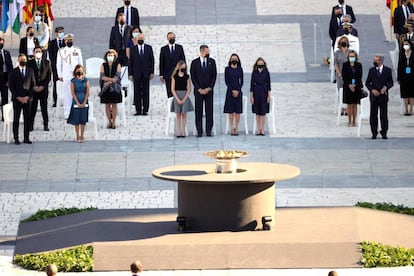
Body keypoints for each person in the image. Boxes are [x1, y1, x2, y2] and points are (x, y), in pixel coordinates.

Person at [8, 54, 35, 145]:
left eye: (24, 59)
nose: (23, 61)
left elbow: (33, 85)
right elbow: (11, 86)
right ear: (18, 61)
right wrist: (18, 97)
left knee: (27, 119)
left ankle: (26, 138)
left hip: (27, 99)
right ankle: (16, 138)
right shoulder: (13, 71)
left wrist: (28, 96)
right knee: (16, 119)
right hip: (17, 99)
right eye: (21, 59)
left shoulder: (30, 71)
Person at [190, 45, 217, 137]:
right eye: (207, 52)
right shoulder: (194, 63)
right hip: (198, 92)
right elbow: (193, 77)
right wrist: (199, 89)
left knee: (209, 110)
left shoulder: (212, 62)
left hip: (209, 91)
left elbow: (214, 76)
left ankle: (209, 130)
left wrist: (209, 88)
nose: (208, 53)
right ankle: (199, 131)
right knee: (199, 111)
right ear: (202, 52)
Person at [365, 55, 394, 139]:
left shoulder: (387, 70)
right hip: (374, 96)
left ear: (381, 61)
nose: (375, 62)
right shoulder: (371, 70)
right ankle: (374, 132)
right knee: (373, 115)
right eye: (374, 60)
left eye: (377, 60)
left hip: (383, 96)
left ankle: (384, 132)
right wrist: (372, 90)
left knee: (383, 115)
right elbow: (367, 83)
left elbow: (391, 82)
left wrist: (385, 87)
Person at [57, 34, 83, 119]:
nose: (69, 42)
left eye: (71, 40)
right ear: (65, 41)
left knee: (76, 93)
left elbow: (80, 63)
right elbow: (58, 64)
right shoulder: (61, 51)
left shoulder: (77, 50)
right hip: (66, 75)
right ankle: (67, 112)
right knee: (67, 94)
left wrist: (81, 73)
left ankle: (76, 111)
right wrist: (60, 75)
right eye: (68, 40)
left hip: (76, 75)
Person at [128, 32, 154, 116]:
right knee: (137, 91)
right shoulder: (133, 49)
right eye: (139, 39)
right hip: (136, 73)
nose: (140, 40)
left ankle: (145, 109)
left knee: (146, 91)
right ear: (136, 40)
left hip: (146, 73)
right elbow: (130, 62)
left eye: (142, 39)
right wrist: (130, 74)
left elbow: (152, 61)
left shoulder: (148, 48)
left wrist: (152, 72)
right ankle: (138, 110)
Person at [27, 46, 52, 131]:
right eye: (36, 51)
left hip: (43, 89)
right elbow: (28, 76)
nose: (38, 53)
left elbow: (48, 76)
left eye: (39, 51)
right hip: (33, 89)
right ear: (33, 53)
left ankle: (46, 124)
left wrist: (42, 86)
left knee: (44, 107)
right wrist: (33, 86)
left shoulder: (47, 62)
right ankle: (30, 124)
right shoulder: (29, 63)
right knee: (32, 107)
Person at [100, 49, 122, 129]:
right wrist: (110, 80)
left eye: (112, 55)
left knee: (114, 104)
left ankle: (114, 122)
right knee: (107, 105)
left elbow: (117, 77)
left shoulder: (118, 65)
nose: (110, 57)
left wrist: (109, 81)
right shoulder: (103, 65)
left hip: (115, 88)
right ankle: (109, 121)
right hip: (105, 88)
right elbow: (102, 77)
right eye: (109, 55)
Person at [67, 64, 90, 143]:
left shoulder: (86, 80)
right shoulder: (73, 81)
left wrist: (84, 102)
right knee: (77, 118)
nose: (79, 71)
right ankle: (77, 135)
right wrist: (77, 102)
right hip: (76, 99)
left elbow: (87, 92)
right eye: (78, 70)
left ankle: (82, 135)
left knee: (83, 118)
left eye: (81, 70)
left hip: (84, 99)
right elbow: (72, 92)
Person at [159, 32, 186, 98]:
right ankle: (171, 107)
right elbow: (161, 62)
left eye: (173, 37)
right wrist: (161, 75)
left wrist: (184, 72)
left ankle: (178, 107)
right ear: (167, 38)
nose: (172, 39)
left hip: (178, 74)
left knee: (178, 92)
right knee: (170, 93)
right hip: (168, 74)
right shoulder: (163, 49)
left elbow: (183, 61)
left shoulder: (179, 48)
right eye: (170, 38)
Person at [171, 60, 193, 138]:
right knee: (178, 114)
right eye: (182, 66)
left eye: (184, 67)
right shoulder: (174, 76)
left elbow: (189, 88)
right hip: (177, 95)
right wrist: (177, 98)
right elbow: (172, 89)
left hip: (184, 95)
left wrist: (184, 98)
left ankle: (183, 130)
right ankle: (179, 131)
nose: (183, 68)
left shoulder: (187, 76)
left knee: (184, 114)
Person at [250, 57, 271, 136]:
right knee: (257, 113)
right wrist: (251, 96)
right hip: (256, 93)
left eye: (261, 64)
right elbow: (251, 85)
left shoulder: (266, 72)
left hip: (264, 93)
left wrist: (269, 95)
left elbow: (269, 85)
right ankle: (258, 129)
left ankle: (262, 129)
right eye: (259, 64)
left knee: (263, 112)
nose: (260, 66)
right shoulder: (254, 72)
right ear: (256, 65)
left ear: (264, 64)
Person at [223, 53, 243, 136]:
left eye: (235, 58)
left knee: (237, 111)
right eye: (232, 58)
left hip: (238, 91)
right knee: (230, 111)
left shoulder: (240, 69)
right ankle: (231, 128)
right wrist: (232, 90)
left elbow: (241, 81)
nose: (234, 59)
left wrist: (238, 90)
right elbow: (226, 81)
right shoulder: (227, 69)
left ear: (238, 60)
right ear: (230, 60)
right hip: (230, 91)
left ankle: (237, 128)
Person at [342, 50, 362, 127]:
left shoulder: (359, 65)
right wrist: (349, 85)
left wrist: (354, 85)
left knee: (355, 104)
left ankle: (354, 121)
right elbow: (344, 76)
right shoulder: (345, 65)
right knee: (349, 104)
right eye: (350, 56)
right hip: (347, 87)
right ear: (348, 57)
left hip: (356, 87)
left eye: (353, 56)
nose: (352, 58)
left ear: (355, 57)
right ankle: (349, 121)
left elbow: (359, 76)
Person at [48, 26, 66, 107]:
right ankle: (56, 100)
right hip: (56, 67)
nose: (61, 33)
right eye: (60, 32)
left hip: (65, 67)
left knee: (65, 84)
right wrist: (54, 65)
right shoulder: (52, 43)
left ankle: (65, 100)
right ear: (56, 33)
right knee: (56, 84)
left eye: (62, 32)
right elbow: (51, 56)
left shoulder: (65, 42)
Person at [334, 36, 350, 115]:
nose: (343, 44)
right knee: (341, 90)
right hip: (340, 74)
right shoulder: (337, 53)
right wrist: (339, 73)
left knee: (347, 91)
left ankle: (347, 108)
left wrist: (345, 52)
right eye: (342, 42)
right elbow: (335, 64)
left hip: (349, 74)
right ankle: (342, 107)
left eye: (345, 42)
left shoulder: (350, 52)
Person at [397, 39, 414, 115]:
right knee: (405, 93)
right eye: (404, 44)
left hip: (412, 75)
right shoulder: (401, 54)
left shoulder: (413, 53)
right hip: (404, 76)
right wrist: (399, 77)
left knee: (412, 93)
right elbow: (399, 66)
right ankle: (406, 109)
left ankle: (411, 109)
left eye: (406, 44)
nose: (405, 46)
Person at [0, 37, 14, 121]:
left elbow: (10, 67)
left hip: (5, 78)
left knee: (5, 98)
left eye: (2, 43)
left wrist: (10, 79)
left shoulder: (6, 53)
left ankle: (4, 115)